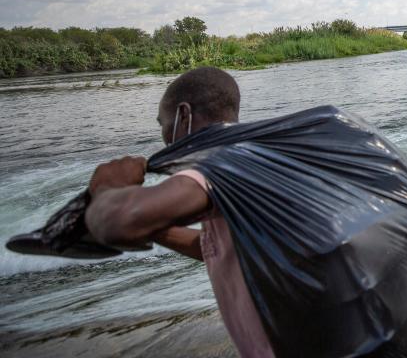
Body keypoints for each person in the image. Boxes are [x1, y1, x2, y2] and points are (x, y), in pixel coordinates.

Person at [84, 67, 276, 358]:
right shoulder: (254, 155)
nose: (163, 134)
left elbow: (119, 221)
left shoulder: (218, 166)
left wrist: (108, 186)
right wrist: (155, 227)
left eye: (163, 122)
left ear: (183, 115)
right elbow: (217, 249)